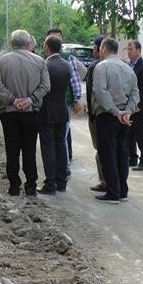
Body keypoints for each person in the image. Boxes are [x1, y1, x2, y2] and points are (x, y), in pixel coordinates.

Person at [0, 30, 50, 196]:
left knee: (12, 149)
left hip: (9, 112)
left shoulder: (1, 62)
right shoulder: (40, 62)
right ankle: (31, 186)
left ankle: (14, 186)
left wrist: (13, 100)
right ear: (28, 43)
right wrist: (29, 100)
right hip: (31, 112)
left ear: (12, 43)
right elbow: (46, 86)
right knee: (29, 149)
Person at [92, 37, 139, 204]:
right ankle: (122, 190)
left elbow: (100, 91)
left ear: (103, 49)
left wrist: (115, 111)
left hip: (108, 115)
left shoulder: (101, 67)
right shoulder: (127, 68)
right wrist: (127, 111)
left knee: (108, 154)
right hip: (124, 117)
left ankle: (113, 192)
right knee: (122, 153)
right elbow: (135, 92)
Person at [45, 28, 85, 178]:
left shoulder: (68, 57)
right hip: (54, 103)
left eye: (57, 38)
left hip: (64, 101)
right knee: (60, 137)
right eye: (52, 37)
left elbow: (77, 76)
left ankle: (63, 169)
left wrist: (76, 99)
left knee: (61, 137)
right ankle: (61, 171)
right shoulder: (46, 57)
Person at [38, 35, 71, 195]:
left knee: (48, 147)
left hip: (47, 110)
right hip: (62, 109)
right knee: (61, 145)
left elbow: (41, 87)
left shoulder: (45, 65)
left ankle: (50, 183)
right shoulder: (66, 65)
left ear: (46, 47)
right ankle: (61, 181)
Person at [126, 40, 143, 171]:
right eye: (128, 49)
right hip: (128, 105)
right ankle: (132, 158)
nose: (128, 52)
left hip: (139, 107)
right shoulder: (128, 65)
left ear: (138, 50)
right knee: (129, 132)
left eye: (131, 49)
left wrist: (137, 105)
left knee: (140, 133)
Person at [86, 35, 107, 191]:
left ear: (101, 49)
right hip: (115, 113)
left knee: (100, 150)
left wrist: (91, 114)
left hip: (98, 114)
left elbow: (91, 93)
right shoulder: (121, 65)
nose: (93, 50)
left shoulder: (95, 66)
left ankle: (104, 181)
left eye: (94, 47)